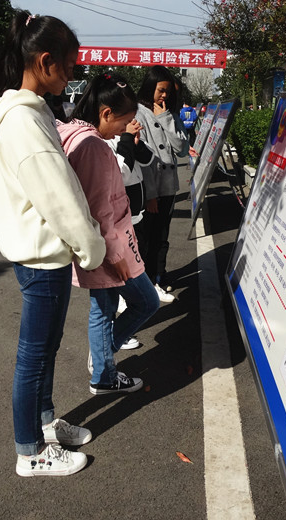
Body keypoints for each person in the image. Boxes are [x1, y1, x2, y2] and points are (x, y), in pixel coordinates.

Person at [0, 10, 106, 478]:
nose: (72, 76)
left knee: (46, 348)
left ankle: (46, 423)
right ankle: (29, 451)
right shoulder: (24, 122)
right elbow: (58, 196)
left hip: (44, 253)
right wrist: (91, 246)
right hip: (41, 256)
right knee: (34, 356)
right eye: (69, 66)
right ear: (45, 61)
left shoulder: (33, 114)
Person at [57, 73, 160, 395]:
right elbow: (100, 208)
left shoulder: (70, 135)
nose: (125, 129)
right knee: (146, 302)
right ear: (105, 113)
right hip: (109, 244)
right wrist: (115, 255)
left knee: (104, 307)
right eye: (124, 122)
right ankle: (102, 365)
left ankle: (103, 368)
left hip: (95, 243)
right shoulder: (94, 147)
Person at [134, 65, 189, 302]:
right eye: (160, 90)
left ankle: (158, 276)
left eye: (168, 91)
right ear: (150, 88)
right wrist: (150, 195)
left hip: (168, 186)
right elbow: (142, 159)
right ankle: (145, 283)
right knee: (145, 239)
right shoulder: (138, 113)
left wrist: (166, 119)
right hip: (150, 188)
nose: (164, 95)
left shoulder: (170, 114)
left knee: (162, 236)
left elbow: (182, 148)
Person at [107, 113, 154, 349]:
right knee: (119, 283)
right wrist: (126, 138)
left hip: (135, 216)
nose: (130, 123)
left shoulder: (124, 139)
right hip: (118, 223)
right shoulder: (104, 142)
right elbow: (122, 172)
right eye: (125, 118)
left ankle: (118, 331)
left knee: (134, 270)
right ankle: (114, 335)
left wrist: (135, 141)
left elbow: (148, 158)